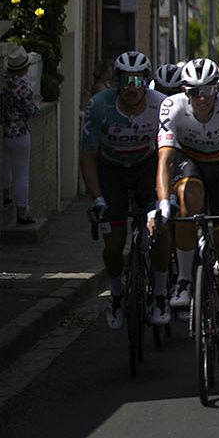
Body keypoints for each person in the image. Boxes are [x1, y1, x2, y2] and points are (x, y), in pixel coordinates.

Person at [154, 58, 219, 369]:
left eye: (208, 90)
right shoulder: (172, 106)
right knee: (185, 200)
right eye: (195, 91)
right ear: (186, 91)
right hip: (190, 161)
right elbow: (165, 160)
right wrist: (162, 201)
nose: (202, 97)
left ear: (216, 88)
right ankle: (183, 279)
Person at [82, 51, 167, 329]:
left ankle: (161, 293)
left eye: (139, 81)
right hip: (112, 171)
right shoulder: (99, 106)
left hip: (146, 168)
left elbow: (168, 153)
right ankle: (117, 294)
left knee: (160, 230)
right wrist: (96, 198)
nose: (132, 87)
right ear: (116, 82)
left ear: (147, 82)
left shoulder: (161, 106)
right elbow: (88, 155)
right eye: (126, 80)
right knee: (114, 244)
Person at [1, 47, 41, 225]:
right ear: (24, 68)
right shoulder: (23, 87)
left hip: (4, 131)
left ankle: (6, 195)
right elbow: (32, 111)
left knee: (7, 165)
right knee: (22, 173)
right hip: (20, 133)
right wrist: (38, 103)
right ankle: (22, 213)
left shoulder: (4, 82)